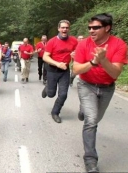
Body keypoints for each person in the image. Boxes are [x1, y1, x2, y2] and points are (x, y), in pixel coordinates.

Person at [73, 13, 127, 173]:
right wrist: (93, 62)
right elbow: (76, 69)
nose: (91, 30)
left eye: (96, 27)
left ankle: (84, 108)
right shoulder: (83, 44)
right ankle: (90, 160)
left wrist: (104, 60)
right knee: (91, 121)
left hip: (107, 87)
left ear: (107, 28)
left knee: (95, 118)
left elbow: (115, 74)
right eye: (89, 27)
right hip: (86, 85)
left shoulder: (119, 45)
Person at [41, 20, 78, 123]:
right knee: (51, 94)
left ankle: (55, 112)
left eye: (66, 27)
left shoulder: (74, 41)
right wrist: (57, 64)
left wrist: (75, 56)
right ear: (58, 29)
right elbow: (45, 57)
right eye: (62, 27)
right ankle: (47, 88)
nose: (64, 29)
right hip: (52, 70)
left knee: (63, 94)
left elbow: (77, 53)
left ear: (69, 29)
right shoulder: (52, 41)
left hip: (64, 71)